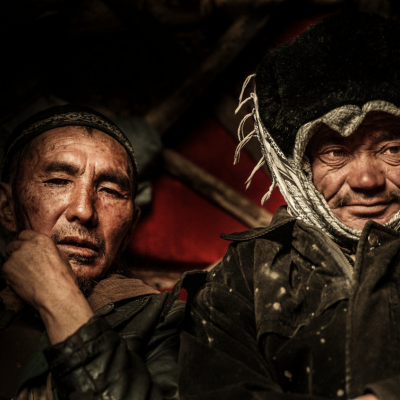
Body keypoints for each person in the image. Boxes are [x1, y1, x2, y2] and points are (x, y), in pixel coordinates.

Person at [176, 12, 400, 400]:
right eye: (335, 151)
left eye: (392, 149)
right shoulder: (243, 274)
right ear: (301, 168)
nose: (368, 180)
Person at [0, 105, 184, 400]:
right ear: (7, 208)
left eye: (110, 190)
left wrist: (58, 299)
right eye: (58, 181)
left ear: (130, 227)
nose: (84, 211)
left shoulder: (165, 321)